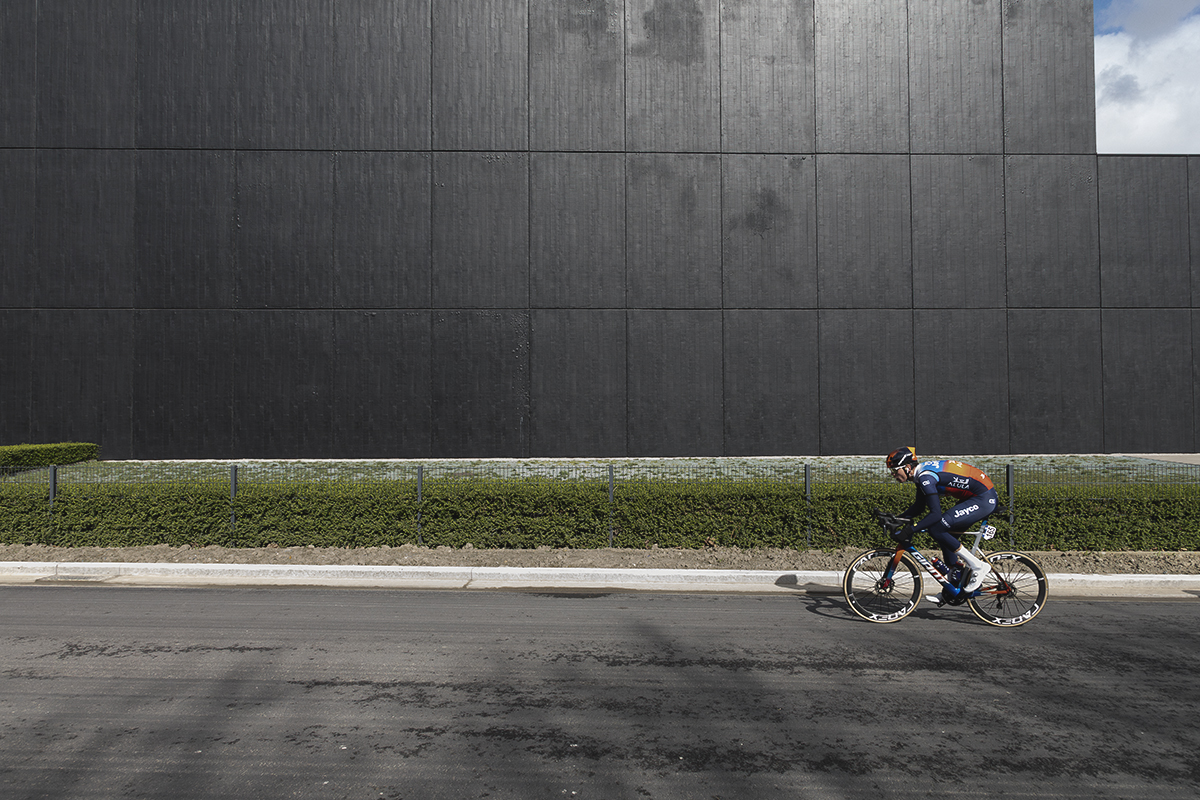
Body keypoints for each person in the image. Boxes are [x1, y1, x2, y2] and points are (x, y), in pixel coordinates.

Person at [884, 447, 997, 604]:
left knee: (937, 527)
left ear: (907, 467)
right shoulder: (921, 476)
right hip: (973, 497)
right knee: (945, 534)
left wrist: (910, 529)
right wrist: (896, 519)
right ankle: (952, 587)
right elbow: (919, 507)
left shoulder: (925, 477)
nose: (893, 474)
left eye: (895, 470)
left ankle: (978, 566)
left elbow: (935, 514)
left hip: (983, 498)